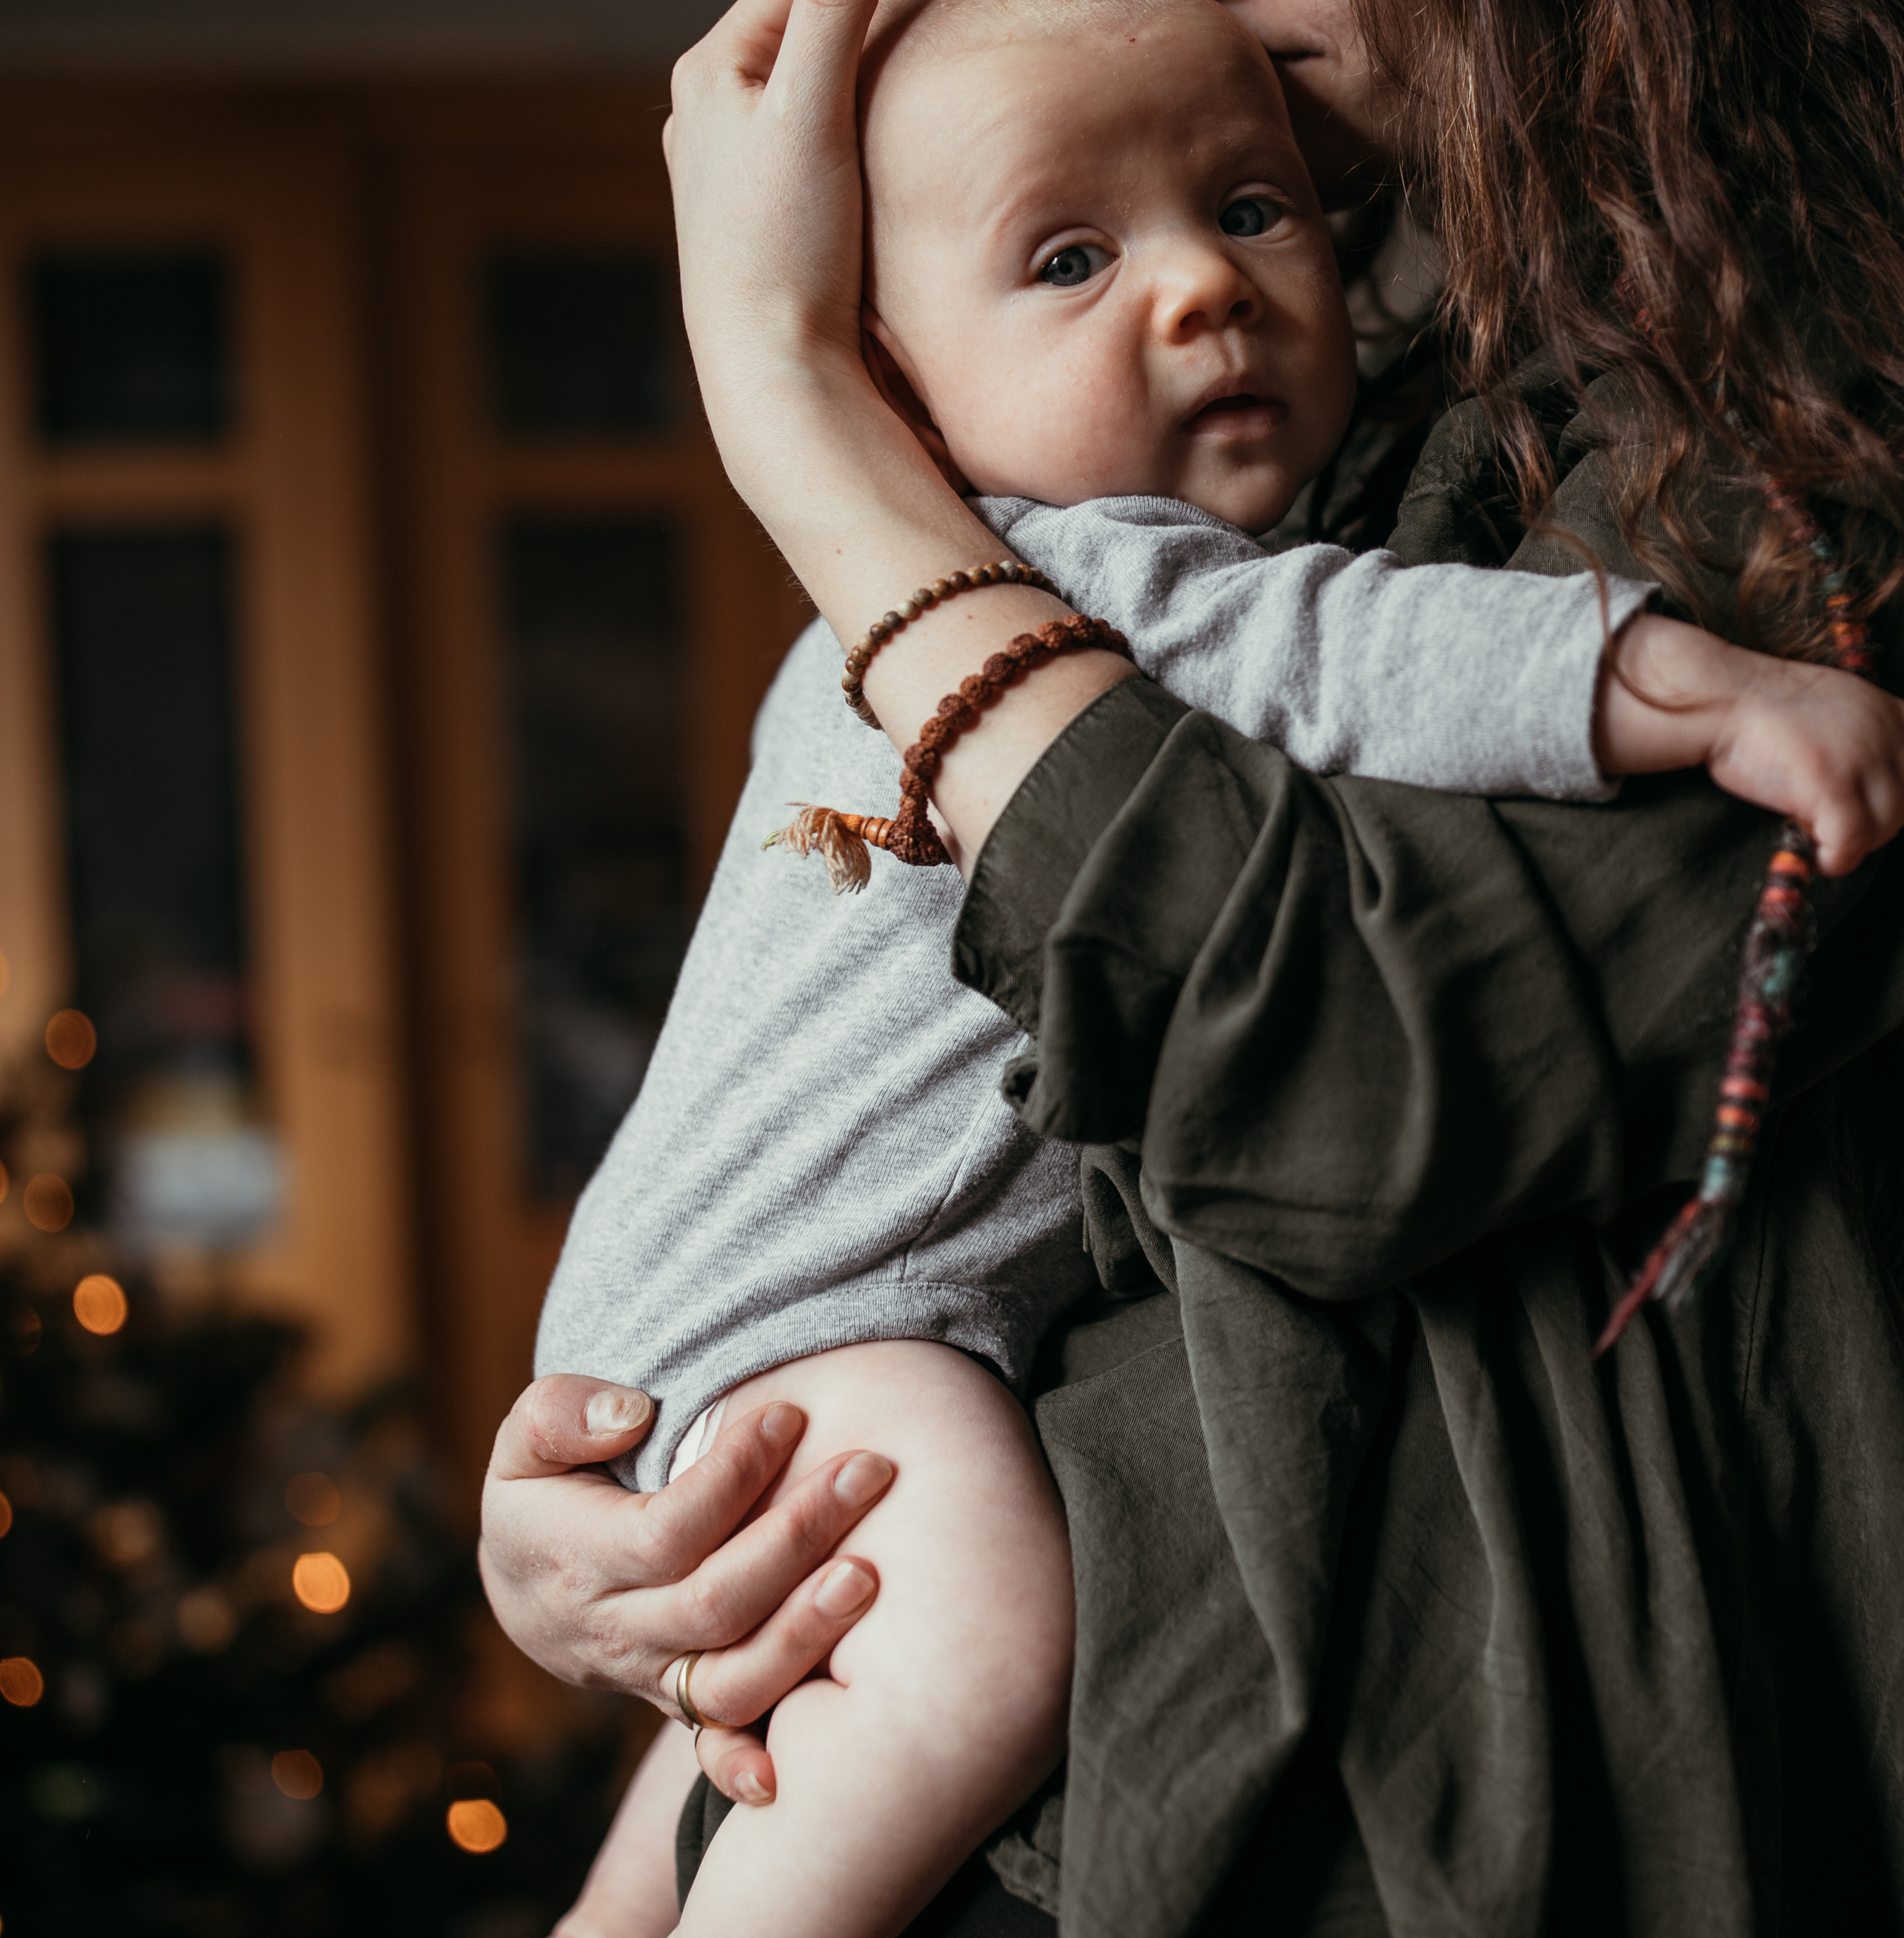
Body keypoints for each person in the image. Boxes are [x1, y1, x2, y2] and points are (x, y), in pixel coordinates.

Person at [482, 0, 1904, 1928]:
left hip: (834, 1397)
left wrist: (806, 407)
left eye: (1245, 214)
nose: (1201, 288)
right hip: (850, 1380)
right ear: (907, 364)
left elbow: (1337, 1062)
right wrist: (1696, 687)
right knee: (956, 1632)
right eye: (1069, 256)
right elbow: (1360, 654)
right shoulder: (1110, 566)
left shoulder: (1780, 415)